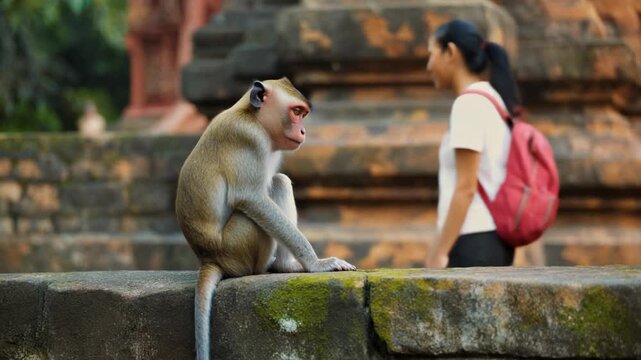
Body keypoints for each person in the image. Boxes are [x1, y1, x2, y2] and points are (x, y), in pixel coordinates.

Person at [424, 19, 522, 268]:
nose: (428, 66)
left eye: (432, 54)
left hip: (472, 240)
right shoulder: (493, 99)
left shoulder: (468, 104)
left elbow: (466, 187)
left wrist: (438, 252)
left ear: (451, 52)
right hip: (490, 240)